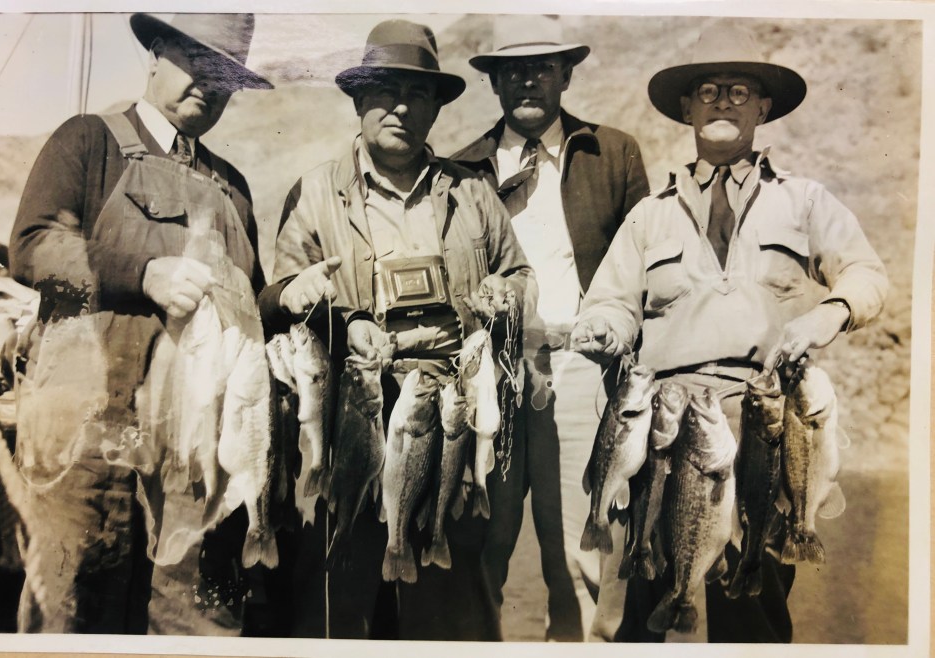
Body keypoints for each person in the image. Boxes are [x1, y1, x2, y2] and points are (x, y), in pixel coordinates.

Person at [569, 20, 888, 643]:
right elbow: (610, 301)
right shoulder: (650, 214)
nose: (723, 102)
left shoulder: (804, 200)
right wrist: (603, 329)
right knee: (637, 611)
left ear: (763, 107)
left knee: (754, 612)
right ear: (687, 107)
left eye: (739, 91)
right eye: (708, 91)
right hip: (661, 424)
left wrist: (830, 312)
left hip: (763, 421)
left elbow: (867, 274)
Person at [255, 19, 533, 641]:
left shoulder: (473, 193)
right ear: (358, 100)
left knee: (450, 606)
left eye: (418, 93)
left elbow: (519, 274)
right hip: (350, 411)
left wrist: (505, 295)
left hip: (451, 412)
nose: (401, 107)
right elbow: (286, 298)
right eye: (385, 90)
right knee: (338, 599)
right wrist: (338, 317)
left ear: (436, 107)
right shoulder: (315, 193)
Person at [8, 13, 271, 634]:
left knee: (195, 624)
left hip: (194, 458)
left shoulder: (233, 190)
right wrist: (144, 272)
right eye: (194, 61)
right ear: (154, 54)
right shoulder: (87, 141)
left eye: (224, 74)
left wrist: (289, 298)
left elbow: (249, 316)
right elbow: (33, 246)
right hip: (84, 444)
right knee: (69, 611)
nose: (207, 83)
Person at [452, 15, 650, 641]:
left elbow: (643, 270)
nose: (527, 80)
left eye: (542, 67)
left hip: (583, 371)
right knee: (480, 542)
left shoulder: (613, 153)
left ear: (566, 74)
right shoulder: (460, 170)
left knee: (583, 551)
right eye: (512, 70)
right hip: (494, 377)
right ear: (493, 82)